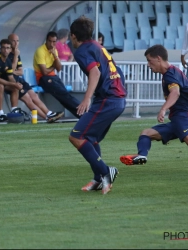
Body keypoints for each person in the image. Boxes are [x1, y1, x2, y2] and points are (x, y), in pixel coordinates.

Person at [69, 16, 127, 194]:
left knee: (76, 136)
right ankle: (98, 179)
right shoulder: (97, 46)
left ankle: (105, 171)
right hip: (116, 98)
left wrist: (86, 98)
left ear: (73, 36)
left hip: (108, 99)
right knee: (90, 138)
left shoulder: (81, 51)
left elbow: (94, 72)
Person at [120, 44, 188, 167]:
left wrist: (163, 109)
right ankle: (142, 155)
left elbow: (175, 92)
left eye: (149, 61)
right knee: (146, 133)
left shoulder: (170, 75)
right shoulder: (175, 72)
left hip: (184, 115)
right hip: (178, 119)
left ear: (158, 58)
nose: (148, 65)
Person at [7, 33, 64, 122]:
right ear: (9, 42)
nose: (16, 43)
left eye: (17, 41)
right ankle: (46, 118)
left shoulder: (17, 54)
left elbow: (20, 71)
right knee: (28, 99)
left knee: (34, 96)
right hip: (11, 82)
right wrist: (14, 60)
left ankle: (49, 113)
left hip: (19, 80)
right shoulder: (8, 55)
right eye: (13, 41)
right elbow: (10, 71)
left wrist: (12, 70)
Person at [33, 31, 81, 119]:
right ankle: (83, 112)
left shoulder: (54, 50)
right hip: (43, 78)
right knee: (63, 94)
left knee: (65, 95)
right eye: (50, 41)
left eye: (54, 41)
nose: (51, 44)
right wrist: (53, 66)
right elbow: (44, 72)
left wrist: (55, 56)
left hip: (53, 77)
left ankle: (80, 114)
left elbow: (59, 68)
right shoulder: (40, 51)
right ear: (46, 41)